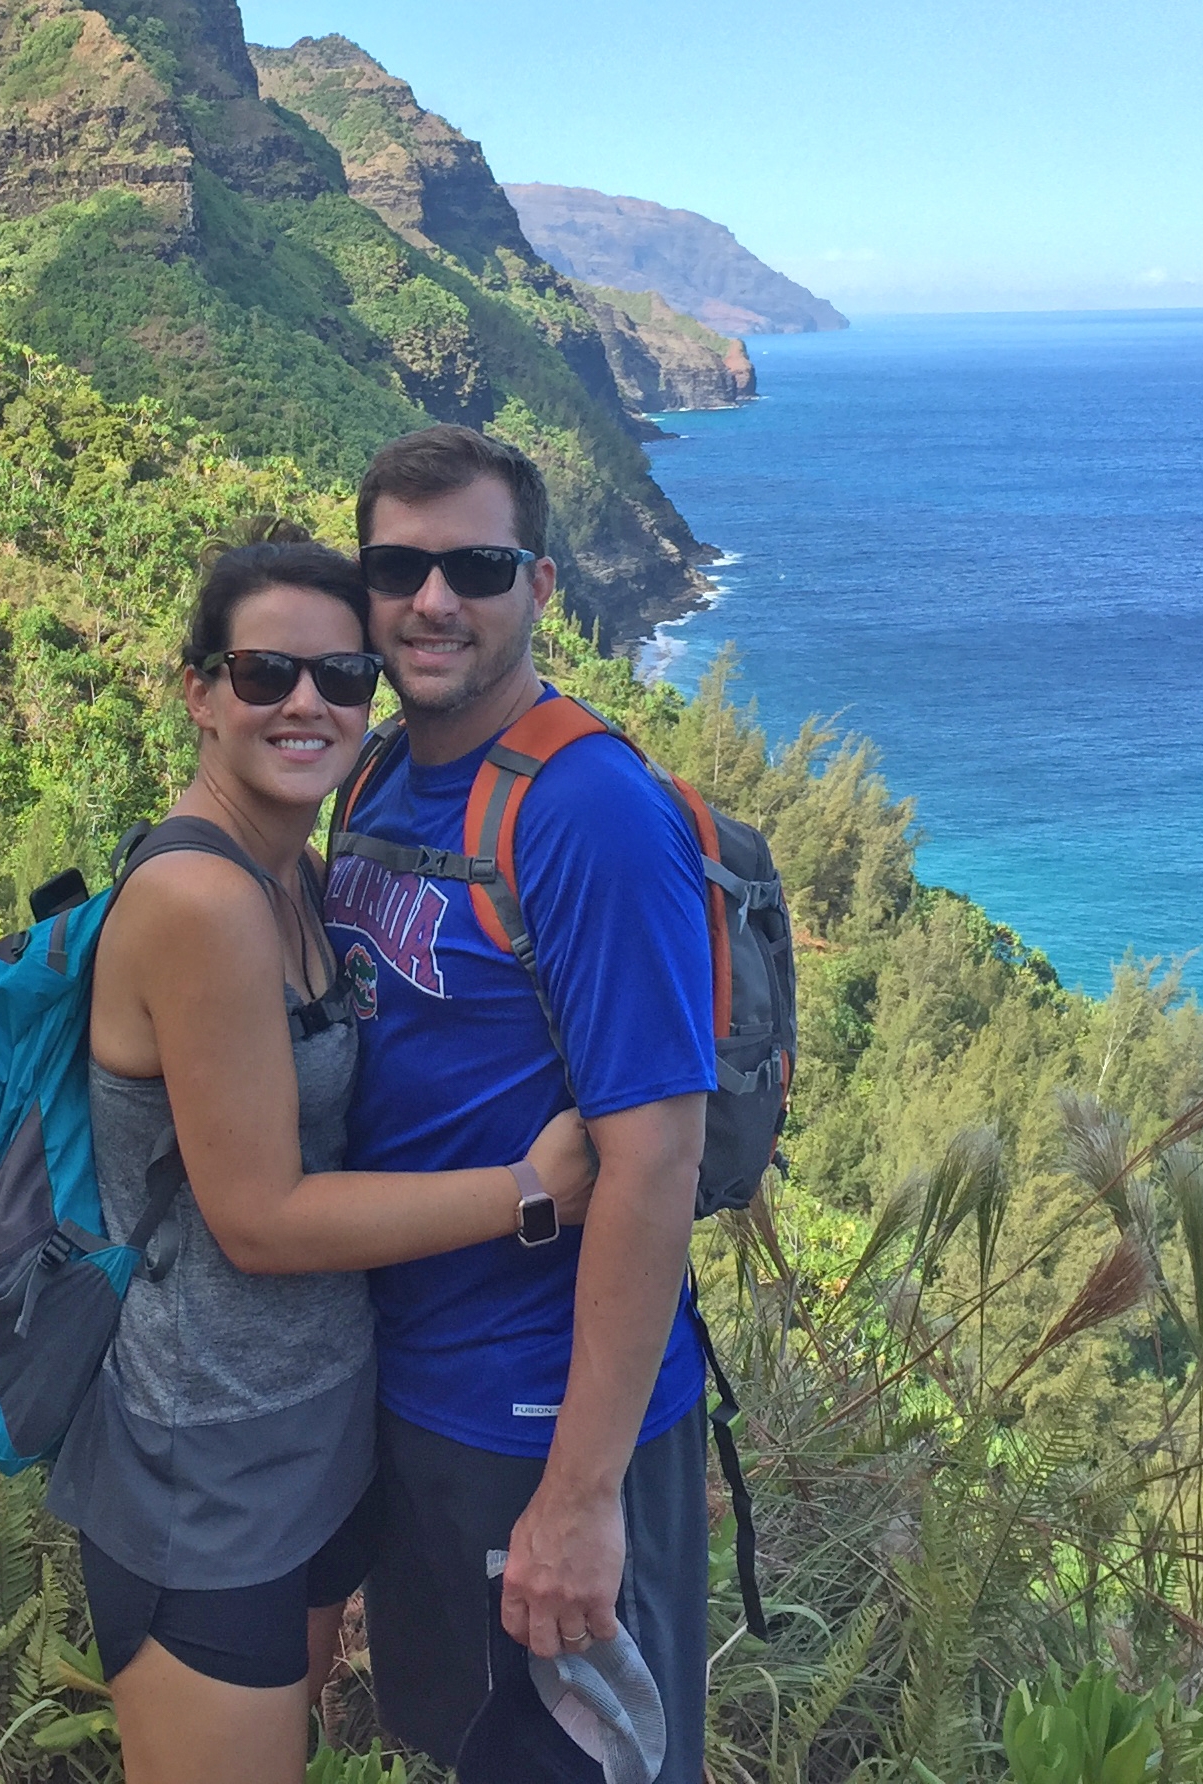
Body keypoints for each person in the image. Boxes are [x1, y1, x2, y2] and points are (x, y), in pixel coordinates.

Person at [47, 529, 601, 1784]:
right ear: (200, 692)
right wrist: (527, 1193)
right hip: (206, 1462)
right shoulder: (203, 903)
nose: (307, 703)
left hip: (312, 1435)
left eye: (344, 677)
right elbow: (258, 1219)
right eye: (265, 674)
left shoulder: (296, 870)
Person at [324, 428, 719, 1784]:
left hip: (545, 1428)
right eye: (399, 569)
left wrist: (583, 1497)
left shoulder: (587, 811)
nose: (433, 601)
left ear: (540, 586)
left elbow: (656, 1159)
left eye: (477, 568)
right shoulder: (375, 775)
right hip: (415, 1404)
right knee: (457, 1750)